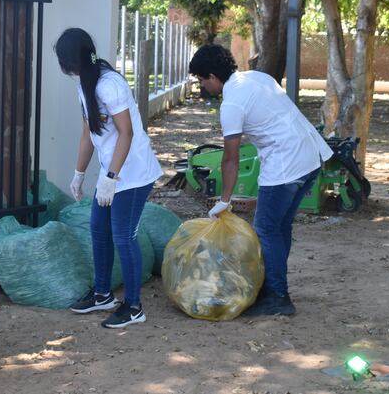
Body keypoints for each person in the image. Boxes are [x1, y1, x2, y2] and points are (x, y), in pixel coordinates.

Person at [188, 44, 333, 316]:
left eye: (202, 80)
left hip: (285, 166)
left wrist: (224, 201)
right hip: (309, 157)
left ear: (212, 76)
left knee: (266, 229)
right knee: (279, 227)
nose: (203, 86)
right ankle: (273, 289)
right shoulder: (257, 77)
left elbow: (230, 158)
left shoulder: (231, 103)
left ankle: (278, 296)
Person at [56, 28, 162, 329]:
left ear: (69, 61)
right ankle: (102, 293)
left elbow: (126, 133)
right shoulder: (85, 84)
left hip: (133, 173)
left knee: (123, 236)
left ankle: (133, 306)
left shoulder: (109, 84)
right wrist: (78, 173)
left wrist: (111, 177)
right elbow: (89, 133)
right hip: (112, 171)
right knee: (98, 229)